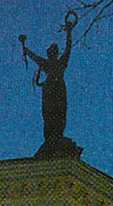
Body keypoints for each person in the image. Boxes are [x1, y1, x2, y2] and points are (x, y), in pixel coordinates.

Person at [20, 10, 77, 142]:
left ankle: (57, 135)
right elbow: (34, 56)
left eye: (53, 51)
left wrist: (69, 33)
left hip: (56, 88)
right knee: (49, 113)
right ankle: (51, 137)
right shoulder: (49, 63)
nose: (52, 52)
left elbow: (68, 48)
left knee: (59, 112)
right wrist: (26, 49)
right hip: (51, 89)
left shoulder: (59, 63)